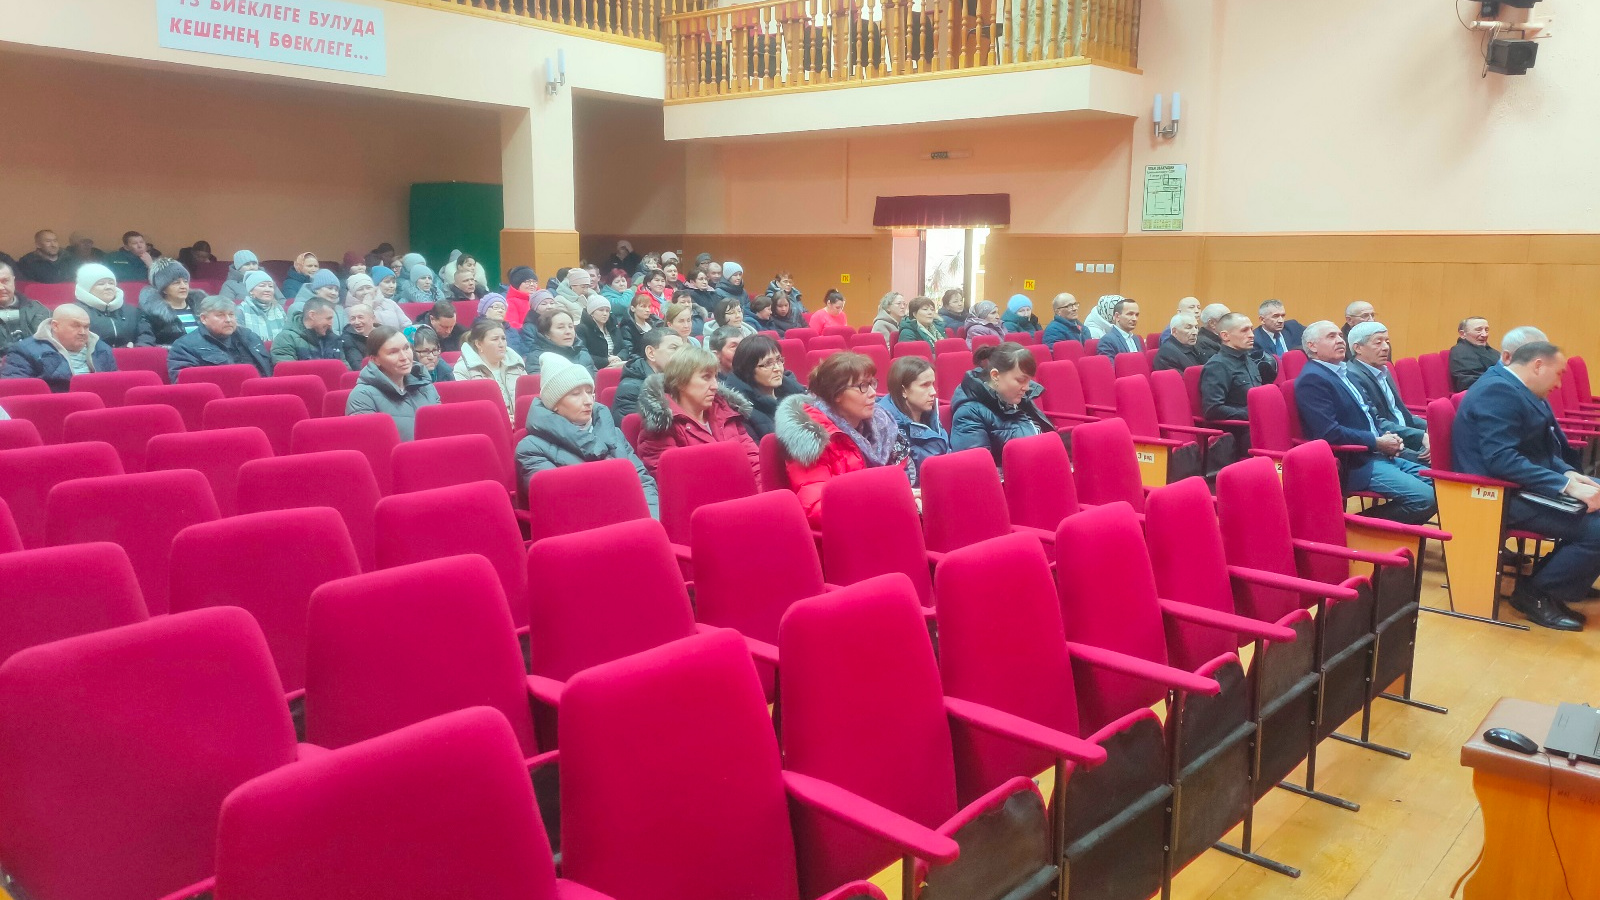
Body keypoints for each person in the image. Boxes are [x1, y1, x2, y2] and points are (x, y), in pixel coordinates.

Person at [1455, 341, 1598, 631]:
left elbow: (1536, 451)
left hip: (1518, 483)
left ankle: (1554, 579)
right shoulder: (1498, 392)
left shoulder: (1515, 388)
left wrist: (1569, 474)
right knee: (1597, 528)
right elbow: (1501, 459)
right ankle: (1536, 593)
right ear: (1538, 366)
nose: (1560, 383)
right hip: (1495, 494)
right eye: (1558, 374)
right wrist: (1565, 486)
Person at [1295, 320, 1435, 525]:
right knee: (1425, 499)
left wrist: (1388, 438)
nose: (1340, 340)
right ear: (1312, 346)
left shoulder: (1344, 372)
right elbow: (1328, 433)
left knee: (1441, 489)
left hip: (1378, 453)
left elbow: (1371, 416)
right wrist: (1376, 442)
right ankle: (1349, 528)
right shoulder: (1313, 379)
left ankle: (1381, 536)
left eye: (1340, 335)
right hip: (1356, 462)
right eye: (1331, 337)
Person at [775, 351, 910, 526]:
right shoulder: (812, 438)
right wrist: (887, 500)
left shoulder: (882, 424)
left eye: (872, 383)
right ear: (836, 393)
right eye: (862, 386)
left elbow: (901, 478)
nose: (873, 393)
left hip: (883, 520)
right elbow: (818, 509)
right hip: (845, 532)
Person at [515, 351, 658, 515]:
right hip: (584, 526)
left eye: (590, 392)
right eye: (576, 394)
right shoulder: (530, 449)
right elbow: (561, 503)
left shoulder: (614, 433)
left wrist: (652, 520)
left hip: (634, 521)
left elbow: (643, 481)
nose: (588, 401)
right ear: (554, 404)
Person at [636, 345, 762, 476]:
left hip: (744, 487)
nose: (715, 386)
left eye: (715, 377)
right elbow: (676, 479)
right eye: (706, 377)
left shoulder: (726, 412)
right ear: (680, 381)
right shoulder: (661, 426)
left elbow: (755, 464)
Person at [950, 342, 1053, 466]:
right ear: (995, 375)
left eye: (1029, 381)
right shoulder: (969, 413)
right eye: (1021, 380)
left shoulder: (1017, 398)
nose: (1026, 388)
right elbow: (976, 469)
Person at [1346, 321, 1427, 462]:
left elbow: (1400, 413)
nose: (1386, 347)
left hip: (1406, 435)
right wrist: (1421, 437)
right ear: (1358, 348)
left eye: (1387, 342)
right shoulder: (1353, 376)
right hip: (1389, 444)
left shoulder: (1384, 370)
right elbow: (1376, 422)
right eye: (1378, 343)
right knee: (1443, 459)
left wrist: (1429, 429)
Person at [345, 326, 441, 441]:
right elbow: (371, 445)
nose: (404, 357)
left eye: (406, 348)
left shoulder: (425, 384)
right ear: (375, 359)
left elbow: (442, 430)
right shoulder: (362, 396)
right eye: (393, 352)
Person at [1, 305, 117, 392]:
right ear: (55, 326)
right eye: (76, 326)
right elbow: (15, 391)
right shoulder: (24, 351)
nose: (82, 332)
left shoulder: (102, 349)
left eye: (86, 327)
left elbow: (114, 386)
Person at [1199, 312, 1277, 436]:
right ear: (1225, 336)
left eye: (1251, 329)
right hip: (1238, 433)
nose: (1251, 335)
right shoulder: (1217, 366)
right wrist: (1251, 413)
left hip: (1258, 425)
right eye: (1244, 331)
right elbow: (1212, 409)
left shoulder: (1248, 359)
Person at [168, 295, 273, 382]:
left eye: (231, 314)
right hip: (222, 397)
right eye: (220, 315)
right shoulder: (185, 346)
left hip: (261, 391)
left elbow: (269, 370)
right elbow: (184, 381)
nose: (228, 320)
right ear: (204, 319)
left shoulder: (250, 336)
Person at [880, 356, 949, 485]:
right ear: (903, 390)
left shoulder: (930, 414)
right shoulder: (886, 427)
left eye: (933, 384)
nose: (933, 392)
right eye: (925, 385)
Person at [721, 334, 804, 440]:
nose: (777, 368)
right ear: (748, 369)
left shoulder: (796, 394)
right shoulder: (742, 411)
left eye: (779, 360)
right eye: (768, 364)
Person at [452, 318, 527, 419]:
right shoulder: (463, 369)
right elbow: (467, 409)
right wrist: (502, 419)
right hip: (486, 422)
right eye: (495, 339)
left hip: (521, 421)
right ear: (479, 344)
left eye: (503, 338)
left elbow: (528, 400)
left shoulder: (516, 364)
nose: (501, 344)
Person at [613, 328, 685, 418]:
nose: (682, 354)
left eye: (682, 349)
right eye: (674, 348)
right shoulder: (630, 389)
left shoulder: (679, 381)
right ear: (651, 353)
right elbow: (634, 426)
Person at [71, 263, 146, 347]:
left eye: (111, 283)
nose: (108, 287)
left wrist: (136, 350)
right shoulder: (74, 313)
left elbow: (146, 336)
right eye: (101, 284)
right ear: (87, 289)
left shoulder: (133, 312)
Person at [138, 259, 208, 345]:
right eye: (176, 283)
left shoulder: (205, 309)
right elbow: (146, 343)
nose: (183, 286)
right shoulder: (152, 315)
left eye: (185, 281)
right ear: (163, 289)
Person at [270, 298, 348, 368]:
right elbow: (288, 371)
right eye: (328, 318)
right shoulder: (286, 339)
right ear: (312, 315)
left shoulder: (334, 339)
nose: (331, 323)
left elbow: (345, 369)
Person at [524, 306, 597, 376]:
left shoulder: (582, 352)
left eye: (570, 327)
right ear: (546, 334)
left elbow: (597, 380)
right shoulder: (537, 358)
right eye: (561, 327)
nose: (568, 332)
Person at [0, 263, 50, 356]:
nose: (1, 287)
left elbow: (45, 344)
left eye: (5, 281)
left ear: (13, 281)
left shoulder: (37, 309)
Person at [236, 271, 288, 341]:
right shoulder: (241, 310)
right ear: (251, 291)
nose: (268, 289)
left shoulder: (279, 308)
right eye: (262, 286)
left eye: (270, 286)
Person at [1450, 316, 1499, 391]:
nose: (1484, 335)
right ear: (1463, 334)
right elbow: (1469, 382)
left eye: (1486, 330)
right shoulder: (1461, 352)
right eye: (1478, 330)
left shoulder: (1491, 351)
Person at [616, 290, 665, 361]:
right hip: (640, 362)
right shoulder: (627, 328)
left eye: (649, 307)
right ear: (633, 308)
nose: (647, 310)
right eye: (643, 306)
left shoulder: (656, 324)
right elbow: (629, 352)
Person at [578, 296, 625, 369]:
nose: (605, 313)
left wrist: (619, 358)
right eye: (601, 310)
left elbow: (625, 348)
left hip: (618, 364)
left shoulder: (613, 327)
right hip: (597, 368)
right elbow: (582, 354)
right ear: (591, 312)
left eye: (607, 311)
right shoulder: (582, 329)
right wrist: (606, 361)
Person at [220, 250, 284, 303]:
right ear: (238, 268)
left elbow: (282, 301)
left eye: (254, 263)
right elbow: (225, 306)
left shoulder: (268, 281)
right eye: (247, 264)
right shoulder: (229, 285)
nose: (252, 267)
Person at [340, 304, 376, 370]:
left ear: (373, 318)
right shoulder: (348, 339)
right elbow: (358, 365)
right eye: (353, 318)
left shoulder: (385, 334)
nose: (356, 322)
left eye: (360, 317)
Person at [504, 266, 540, 331]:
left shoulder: (542, 299)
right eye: (527, 282)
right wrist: (531, 330)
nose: (532, 284)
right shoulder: (511, 302)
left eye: (535, 282)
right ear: (517, 284)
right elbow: (512, 325)